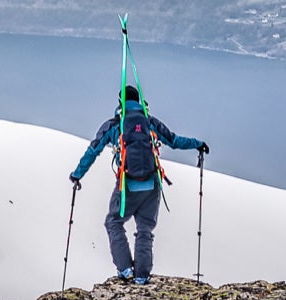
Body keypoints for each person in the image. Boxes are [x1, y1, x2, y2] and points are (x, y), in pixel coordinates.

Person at [68, 84, 207, 285]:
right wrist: (198, 144)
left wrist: (77, 175)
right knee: (145, 230)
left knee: (114, 222)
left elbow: (93, 150)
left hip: (127, 185)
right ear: (139, 101)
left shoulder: (115, 125)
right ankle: (142, 276)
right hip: (152, 184)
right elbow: (174, 141)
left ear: (120, 102)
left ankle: (125, 269)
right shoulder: (150, 123)